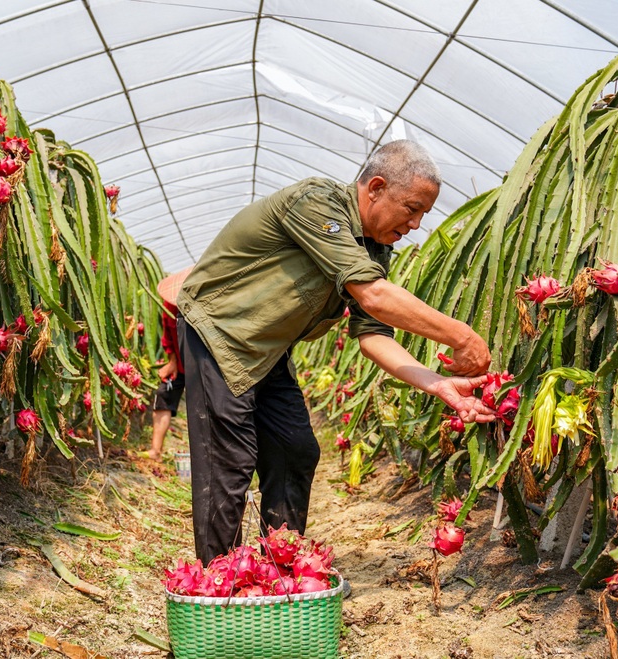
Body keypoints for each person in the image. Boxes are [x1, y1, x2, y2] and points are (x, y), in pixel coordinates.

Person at [176, 140, 494, 563]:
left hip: (268, 350)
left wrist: (439, 384)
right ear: (376, 187)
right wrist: (462, 336)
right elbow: (375, 297)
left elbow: (373, 334)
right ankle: (217, 583)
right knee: (228, 462)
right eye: (412, 207)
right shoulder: (317, 203)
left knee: (295, 450)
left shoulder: (375, 248)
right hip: (218, 334)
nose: (416, 224)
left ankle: (277, 566)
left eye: (423, 214)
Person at [145, 267, 192, 462]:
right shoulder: (169, 306)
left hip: (206, 367)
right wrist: (172, 361)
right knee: (163, 394)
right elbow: (168, 336)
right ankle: (155, 451)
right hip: (180, 365)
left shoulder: (209, 305)